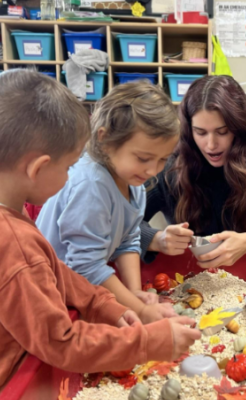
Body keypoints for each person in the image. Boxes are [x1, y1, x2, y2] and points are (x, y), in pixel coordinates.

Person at [0, 70, 200, 400]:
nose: (72, 176)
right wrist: (151, 342)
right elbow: (63, 343)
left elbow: (62, 275)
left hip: (0, 369)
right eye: (69, 166)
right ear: (38, 168)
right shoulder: (7, 242)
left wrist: (112, 308)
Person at [37, 81, 179, 322]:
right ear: (104, 139)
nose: (153, 170)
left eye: (163, 159)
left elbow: (128, 241)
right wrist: (141, 311)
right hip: (50, 297)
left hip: (80, 290)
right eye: (143, 158)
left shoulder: (134, 182)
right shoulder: (91, 185)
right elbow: (85, 266)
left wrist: (135, 293)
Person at [140, 75, 246, 269]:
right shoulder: (169, 165)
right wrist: (157, 239)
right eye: (200, 132)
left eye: (222, 131)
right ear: (188, 131)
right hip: (185, 278)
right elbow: (118, 224)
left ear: (239, 128)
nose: (211, 145)